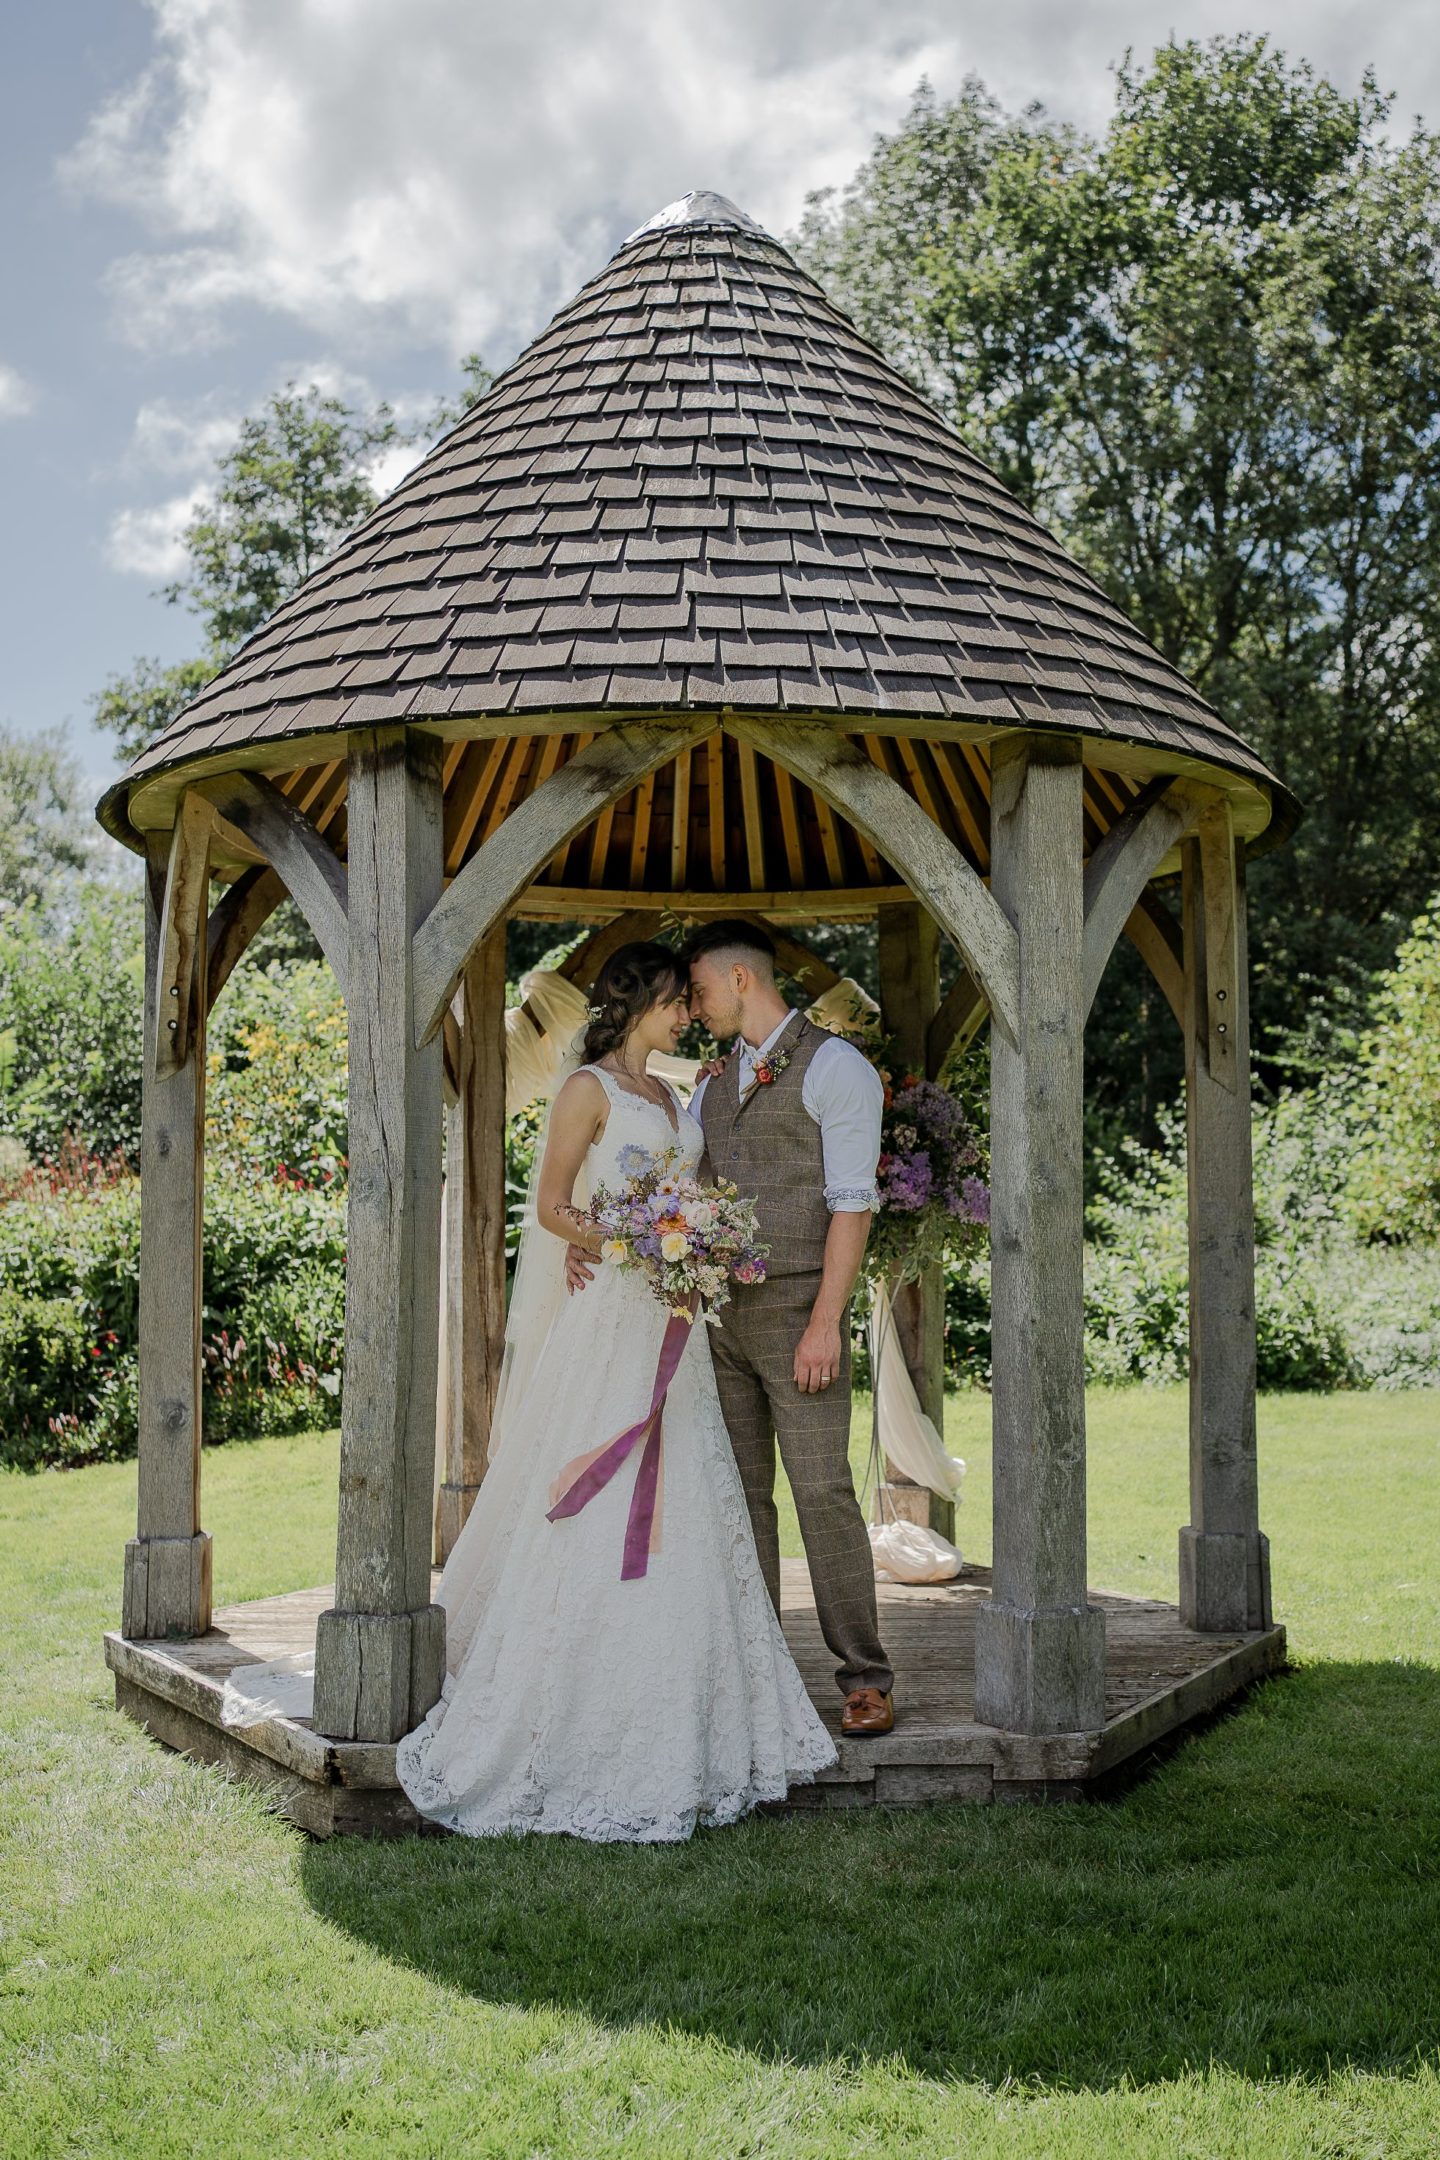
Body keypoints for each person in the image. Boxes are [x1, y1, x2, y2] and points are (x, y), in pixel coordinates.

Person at [393, 941, 837, 1842]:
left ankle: (687, 1704)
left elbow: (687, 1188)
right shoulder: (587, 1089)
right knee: (596, 1496)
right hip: (615, 1324)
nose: (687, 1015)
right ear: (640, 1002)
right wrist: (636, 1243)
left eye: (689, 1002)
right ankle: (572, 1695)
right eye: (677, 1002)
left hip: (674, 1320)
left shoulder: (672, 1096)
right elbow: (553, 1205)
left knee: (689, 1495)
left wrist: (696, 1239)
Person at [685, 920, 895, 1738]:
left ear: (741, 979)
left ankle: (866, 1678)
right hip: (720, 1321)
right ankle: (758, 1670)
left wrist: (824, 1324)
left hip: (800, 1312)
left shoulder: (837, 1067)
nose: (695, 1007)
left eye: (699, 990)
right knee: (741, 1500)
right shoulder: (714, 1079)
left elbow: (852, 1202)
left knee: (823, 1495)